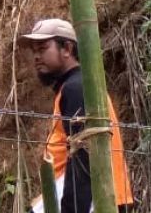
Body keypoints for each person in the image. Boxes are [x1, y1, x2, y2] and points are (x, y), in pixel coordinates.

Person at [20, 19, 134, 213]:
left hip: (94, 199)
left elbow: (84, 155)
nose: (36, 56)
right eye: (34, 51)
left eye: (43, 48)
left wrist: (71, 209)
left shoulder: (76, 88)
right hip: (96, 196)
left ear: (67, 48)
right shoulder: (76, 85)